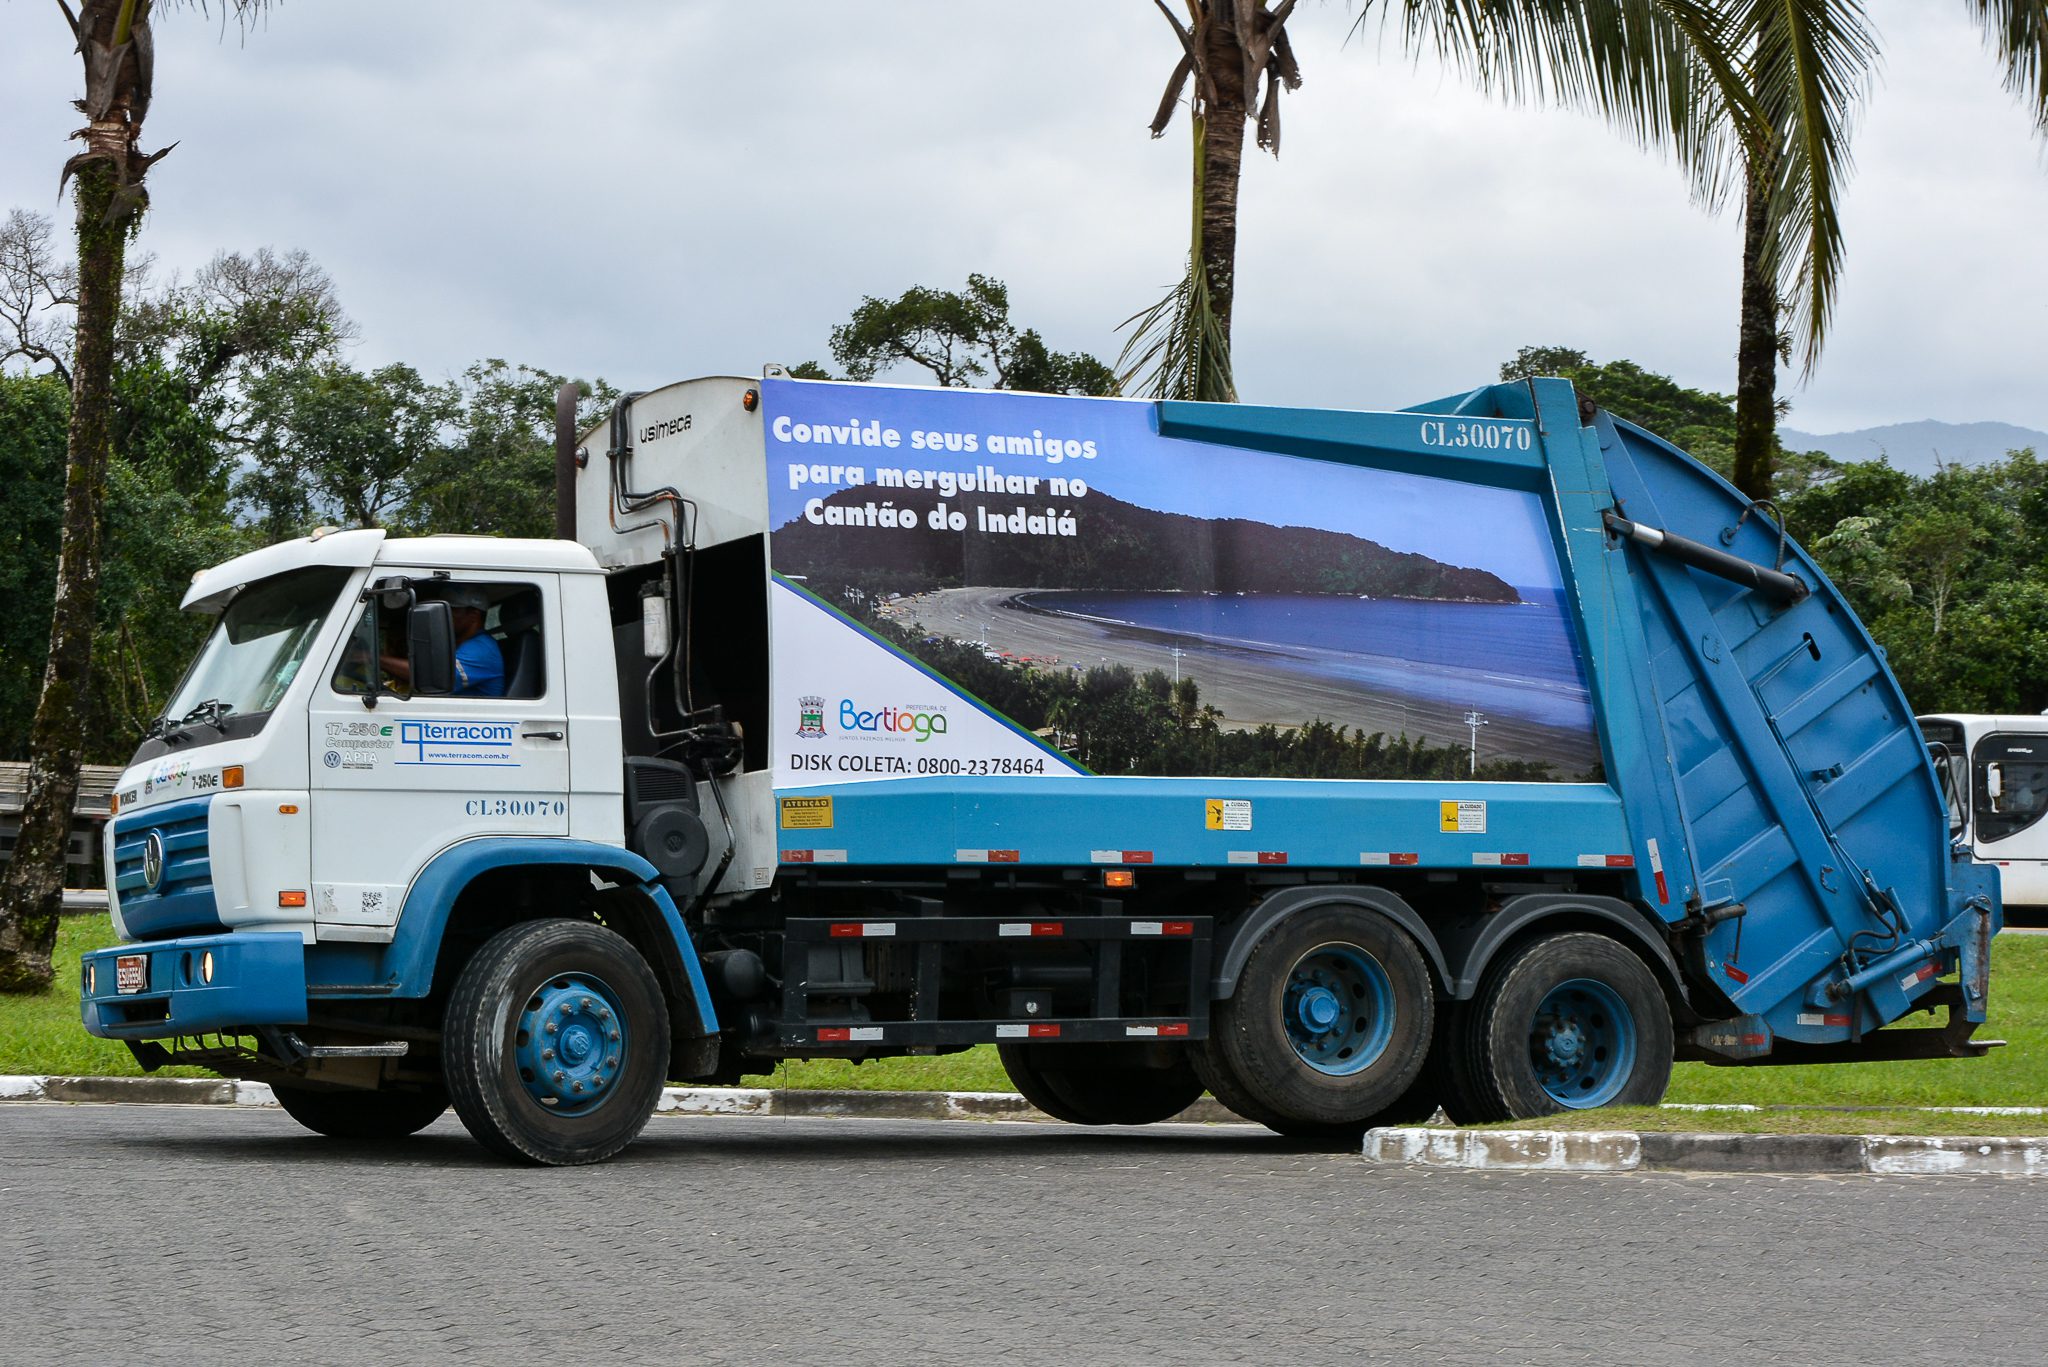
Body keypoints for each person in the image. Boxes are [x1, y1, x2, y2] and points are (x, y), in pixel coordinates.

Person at [378, 586, 506, 698]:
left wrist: (373, 658)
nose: (444, 617)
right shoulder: (459, 646)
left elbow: (436, 678)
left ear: (473, 615)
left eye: (450, 611)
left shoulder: (481, 650)